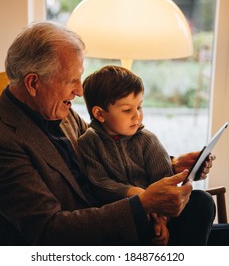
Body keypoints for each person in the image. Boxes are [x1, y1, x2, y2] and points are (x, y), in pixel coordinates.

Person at [0, 21, 229, 246]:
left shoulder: (54, 107)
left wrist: (173, 167)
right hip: (84, 246)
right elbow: (49, 232)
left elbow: (105, 154)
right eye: (71, 80)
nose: (80, 91)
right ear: (33, 83)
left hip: (115, 224)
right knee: (202, 208)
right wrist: (143, 203)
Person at [78, 65, 187, 245]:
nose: (137, 116)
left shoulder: (147, 140)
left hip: (160, 213)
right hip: (123, 217)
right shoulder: (89, 141)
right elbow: (99, 182)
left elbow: (163, 179)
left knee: (202, 202)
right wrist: (134, 193)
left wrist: (161, 221)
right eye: (127, 110)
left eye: (140, 107)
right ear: (99, 113)